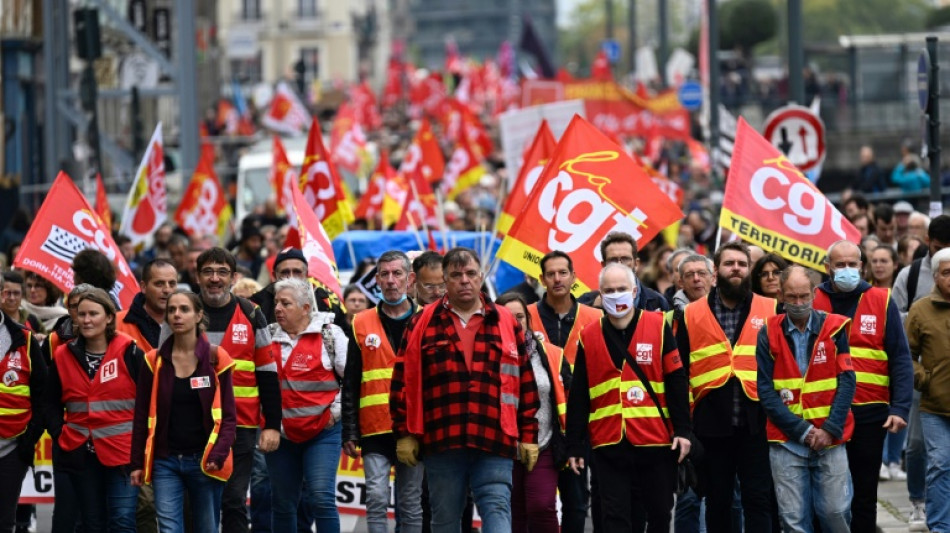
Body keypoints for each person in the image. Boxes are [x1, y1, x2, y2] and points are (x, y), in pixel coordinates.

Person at [390, 247, 541, 533]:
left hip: (494, 437)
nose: (464, 281)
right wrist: (404, 433)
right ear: (444, 280)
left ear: (481, 277)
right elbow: (402, 381)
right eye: (456, 275)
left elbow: (524, 380)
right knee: (445, 521)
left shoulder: (505, 321)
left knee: (497, 512)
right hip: (442, 439)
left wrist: (529, 434)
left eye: (471, 273)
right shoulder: (422, 322)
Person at [566, 262, 691, 532]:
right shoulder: (588, 336)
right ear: (600, 294)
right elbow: (579, 393)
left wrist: (683, 430)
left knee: (659, 513)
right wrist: (575, 445)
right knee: (615, 518)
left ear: (634, 291)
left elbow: (676, 380)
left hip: (654, 440)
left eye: (621, 289)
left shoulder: (658, 326)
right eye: (608, 290)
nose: (615, 295)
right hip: (608, 442)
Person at [676, 241, 778, 532]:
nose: (736, 269)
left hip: (756, 423)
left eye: (742, 264)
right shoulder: (690, 314)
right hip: (710, 425)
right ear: (716, 272)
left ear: (749, 271)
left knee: (758, 501)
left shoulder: (770, 308)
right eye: (729, 263)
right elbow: (680, 372)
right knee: (717, 503)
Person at [812, 240, 914, 533]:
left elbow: (900, 358)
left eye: (852, 264)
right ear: (828, 267)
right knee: (826, 498)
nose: (846, 270)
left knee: (865, 497)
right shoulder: (812, 300)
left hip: (870, 412)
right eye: (840, 264)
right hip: (823, 413)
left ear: (862, 267)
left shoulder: (881, 300)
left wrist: (900, 407)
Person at [756, 266, 855, 532]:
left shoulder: (835, 328)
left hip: (831, 438)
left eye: (803, 296)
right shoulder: (767, 331)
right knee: (793, 520)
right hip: (787, 442)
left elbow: (847, 381)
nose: (798, 304)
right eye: (792, 297)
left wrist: (829, 429)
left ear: (814, 293)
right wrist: (803, 431)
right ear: (780, 296)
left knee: (836, 513)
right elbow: (765, 390)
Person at [129, 290, 237, 533]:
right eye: (171, 310)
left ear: (199, 315)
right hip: (165, 462)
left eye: (184, 309)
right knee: (168, 529)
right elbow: (141, 417)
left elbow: (229, 417)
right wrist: (137, 462)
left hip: (205, 460)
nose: (177, 315)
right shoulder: (153, 360)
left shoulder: (216, 358)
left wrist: (218, 454)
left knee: (206, 528)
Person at [194, 247, 281, 532]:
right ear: (197, 277)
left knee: (233, 501)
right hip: (193, 425)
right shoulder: (183, 313)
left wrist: (272, 425)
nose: (215, 278)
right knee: (196, 502)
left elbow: (268, 375)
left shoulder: (253, 314)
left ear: (233, 277)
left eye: (222, 272)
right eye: (208, 272)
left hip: (241, 426)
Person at [45, 288, 144, 532]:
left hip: (122, 454)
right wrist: (59, 434)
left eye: (93, 314)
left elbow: (148, 402)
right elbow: (49, 402)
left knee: (122, 520)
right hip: (81, 454)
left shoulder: (131, 351)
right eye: (81, 314)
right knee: (92, 523)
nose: (86, 320)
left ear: (109, 317)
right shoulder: (62, 354)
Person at [342, 251, 425, 533]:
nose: (391, 281)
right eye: (385, 274)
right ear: (377, 279)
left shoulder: (426, 321)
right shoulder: (361, 322)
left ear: (410, 279)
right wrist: (350, 431)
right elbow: (351, 381)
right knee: (376, 497)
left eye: (397, 274)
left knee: (410, 501)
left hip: (414, 428)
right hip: (374, 428)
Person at [525, 251, 600, 533]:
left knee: (577, 500)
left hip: (580, 424)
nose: (557, 279)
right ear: (542, 279)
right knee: (536, 502)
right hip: (538, 422)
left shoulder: (595, 317)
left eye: (563, 273)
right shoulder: (527, 315)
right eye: (551, 274)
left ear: (573, 277)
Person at [267, 278, 348, 532]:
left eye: (286, 303)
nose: (278, 308)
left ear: (305, 308)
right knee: (282, 504)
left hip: (322, 433)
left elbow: (352, 381)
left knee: (322, 499)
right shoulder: (267, 335)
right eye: (276, 302)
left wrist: (334, 414)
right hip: (280, 435)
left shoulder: (330, 334)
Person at [893, 214, 950, 530]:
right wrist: (921, 377)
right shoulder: (911, 276)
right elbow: (898, 332)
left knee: (943, 462)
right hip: (926, 387)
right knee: (919, 448)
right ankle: (920, 504)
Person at [497, 292, 568, 533]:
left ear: (528, 320)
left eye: (520, 317)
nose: (515, 323)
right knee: (513, 510)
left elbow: (568, 395)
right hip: (503, 447)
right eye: (508, 317)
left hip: (544, 444)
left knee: (542, 505)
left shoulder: (551, 354)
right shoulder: (487, 354)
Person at [669, 255, 715, 533]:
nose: (697, 278)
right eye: (690, 274)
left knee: (728, 498)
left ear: (713, 277)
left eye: (702, 273)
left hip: (722, 418)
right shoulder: (671, 318)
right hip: (687, 422)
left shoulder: (728, 313)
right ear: (680, 281)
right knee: (688, 498)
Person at [905, 248, 950, 533]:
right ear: (935, 277)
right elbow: (904, 356)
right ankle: (940, 526)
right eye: (946, 273)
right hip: (935, 406)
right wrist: (925, 377)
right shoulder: (920, 309)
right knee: (940, 464)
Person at [0, 290, 46, 533]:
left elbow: (42, 393)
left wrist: (28, 442)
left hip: (11, 449)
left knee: (5, 521)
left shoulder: (23, 338)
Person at [250, 247, 347, 329]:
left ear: (307, 275)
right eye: (285, 272)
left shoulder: (326, 301)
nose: (291, 277)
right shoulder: (256, 303)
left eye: (297, 272)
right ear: (274, 276)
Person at [579, 232, 671, 312]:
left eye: (625, 259)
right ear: (603, 265)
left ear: (636, 263)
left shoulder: (657, 302)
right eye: (613, 259)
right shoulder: (585, 303)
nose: (619, 264)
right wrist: (595, 310)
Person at [116, 259, 177, 352]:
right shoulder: (117, 323)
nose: (167, 290)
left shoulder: (190, 323)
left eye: (172, 284)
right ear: (143, 287)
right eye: (159, 284)